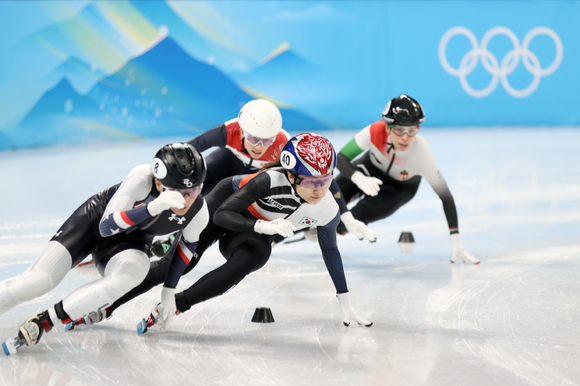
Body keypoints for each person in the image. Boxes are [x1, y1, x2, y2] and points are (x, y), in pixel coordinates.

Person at [89, 133, 372, 334]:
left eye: (325, 179)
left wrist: (343, 297)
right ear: (291, 175)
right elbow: (224, 214)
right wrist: (262, 226)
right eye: (311, 181)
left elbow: (330, 250)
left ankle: (176, 306)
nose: (319, 189)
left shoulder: (326, 208)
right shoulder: (269, 180)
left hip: (251, 233)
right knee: (176, 265)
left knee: (255, 257)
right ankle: (108, 305)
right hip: (225, 206)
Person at [0, 143, 209, 353]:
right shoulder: (141, 178)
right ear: (158, 181)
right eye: (176, 191)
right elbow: (106, 226)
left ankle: (48, 319)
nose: (186, 199)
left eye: (194, 189)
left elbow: (187, 244)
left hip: (131, 245)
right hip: (93, 223)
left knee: (135, 271)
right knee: (38, 281)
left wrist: (168, 291)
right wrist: (152, 207)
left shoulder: (199, 212)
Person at [151, 99, 375, 256]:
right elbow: (190, 149)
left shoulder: (283, 144)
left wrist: (345, 215)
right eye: (253, 139)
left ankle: (182, 237)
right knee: (196, 185)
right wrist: (163, 174)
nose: (259, 146)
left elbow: (321, 175)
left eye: (267, 140)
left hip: (255, 175)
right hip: (229, 160)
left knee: (225, 207)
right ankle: (159, 227)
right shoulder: (228, 130)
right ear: (241, 131)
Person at [334, 94, 479, 264]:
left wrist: (456, 240)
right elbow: (341, 157)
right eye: (399, 129)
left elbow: (445, 196)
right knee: (328, 196)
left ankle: (332, 230)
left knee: (354, 218)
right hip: (368, 170)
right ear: (387, 127)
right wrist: (357, 177)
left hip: (399, 189)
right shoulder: (375, 131)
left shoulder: (421, 152)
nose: (405, 137)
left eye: (412, 130)